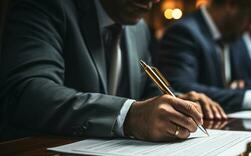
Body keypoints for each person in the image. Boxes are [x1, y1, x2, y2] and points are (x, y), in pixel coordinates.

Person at [0, 0, 226, 142]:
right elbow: (28, 92)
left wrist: (177, 102)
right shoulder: (45, 5)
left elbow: (147, 91)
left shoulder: (138, 28)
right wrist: (129, 116)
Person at [158, 0, 251, 113]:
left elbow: (240, 80)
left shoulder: (233, 35)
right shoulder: (184, 32)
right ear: (232, 5)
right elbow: (182, 89)